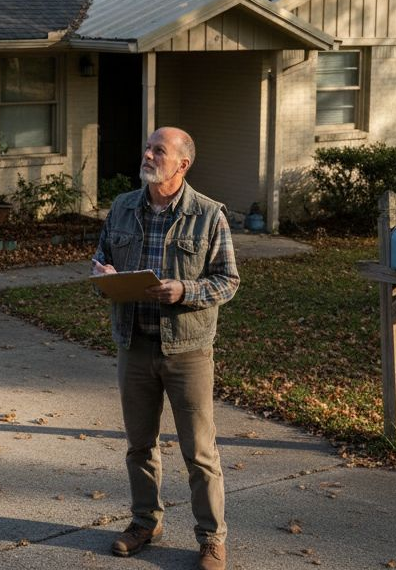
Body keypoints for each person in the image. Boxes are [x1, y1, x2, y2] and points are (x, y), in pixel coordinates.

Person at [91, 126, 239, 570]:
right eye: (148, 148)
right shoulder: (121, 207)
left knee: (199, 452)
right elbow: (102, 261)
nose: (149, 155)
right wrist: (104, 274)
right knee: (140, 444)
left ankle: (212, 538)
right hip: (134, 344)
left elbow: (228, 281)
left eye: (160, 150)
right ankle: (145, 522)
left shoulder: (210, 215)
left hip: (187, 351)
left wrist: (185, 290)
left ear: (182, 164)